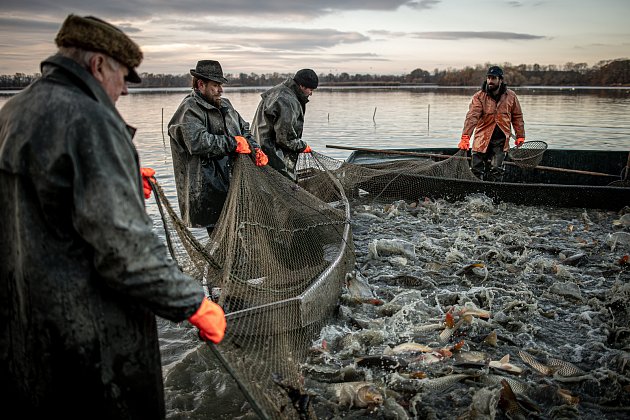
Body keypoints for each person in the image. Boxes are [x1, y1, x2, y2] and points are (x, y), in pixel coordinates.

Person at [0, 14, 226, 418]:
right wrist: (192, 301)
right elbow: (125, 251)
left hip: (25, 317)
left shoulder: (15, 110)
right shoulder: (91, 119)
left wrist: (112, 176)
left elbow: (37, 196)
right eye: (123, 75)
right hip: (87, 328)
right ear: (98, 64)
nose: (124, 88)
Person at [168, 60, 268, 235]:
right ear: (201, 84)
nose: (221, 90)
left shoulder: (226, 104)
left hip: (233, 183)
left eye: (221, 85)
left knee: (243, 233)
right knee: (222, 239)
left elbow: (243, 128)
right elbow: (197, 142)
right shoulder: (189, 110)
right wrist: (233, 143)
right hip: (208, 192)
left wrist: (255, 149)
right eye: (215, 85)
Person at [458, 66, 525, 181]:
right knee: (475, 169)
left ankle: (493, 195)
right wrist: (465, 136)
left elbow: (517, 117)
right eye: (488, 78)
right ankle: (475, 196)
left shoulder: (511, 96)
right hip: (482, 138)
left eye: (493, 78)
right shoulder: (479, 96)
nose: (490, 81)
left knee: (496, 169)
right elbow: (472, 117)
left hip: (501, 140)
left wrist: (520, 136)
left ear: (501, 80)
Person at [251, 68, 318, 182]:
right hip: (270, 152)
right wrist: (302, 145)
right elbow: (285, 138)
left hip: (259, 146)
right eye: (310, 89)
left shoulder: (281, 90)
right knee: (284, 186)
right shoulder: (287, 100)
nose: (311, 93)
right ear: (302, 86)